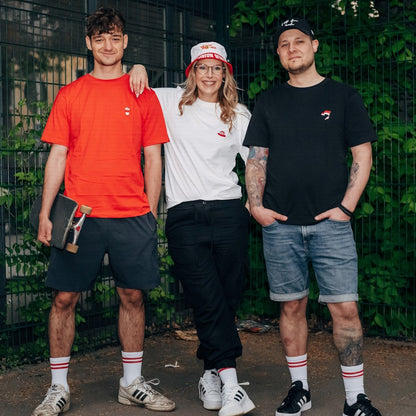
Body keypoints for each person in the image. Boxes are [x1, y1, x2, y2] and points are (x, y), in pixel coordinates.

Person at [32, 7, 175, 415]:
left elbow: (153, 157)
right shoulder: (70, 94)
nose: (108, 45)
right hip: (79, 215)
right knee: (64, 298)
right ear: (88, 44)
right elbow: (58, 156)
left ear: (125, 42)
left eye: (115, 37)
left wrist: (150, 213)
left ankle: (132, 383)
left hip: (132, 215)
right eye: (100, 39)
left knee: (132, 295)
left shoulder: (143, 94)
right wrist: (45, 213)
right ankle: (58, 388)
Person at [243, 18, 382, 416]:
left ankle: (355, 398)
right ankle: (299, 390)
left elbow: (362, 154)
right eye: (284, 44)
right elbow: (256, 158)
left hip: (331, 226)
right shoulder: (269, 101)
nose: (292, 48)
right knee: (291, 308)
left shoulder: (343, 96)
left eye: (299, 41)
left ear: (314, 45)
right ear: (278, 54)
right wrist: (257, 207)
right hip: (280, 226)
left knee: (345, 309)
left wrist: (346, 208)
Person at [129, 41, 255, 416]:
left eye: (217, 68)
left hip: (229, 212)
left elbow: (257, 162)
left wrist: (254, 201)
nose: (209, 75)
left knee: (225, 298)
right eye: (202, 67)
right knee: (205, 297)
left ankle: (210, 374)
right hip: (184, 216)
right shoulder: (171, 102)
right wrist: (137, 65)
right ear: (191, 72)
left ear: (226, 73)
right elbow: (130, 87)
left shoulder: (238, 114)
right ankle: (233, 386)